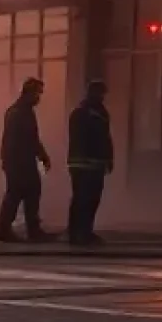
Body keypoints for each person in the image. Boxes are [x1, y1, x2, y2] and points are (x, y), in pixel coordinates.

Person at [0, 76, 55, 244]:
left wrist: (42, 156)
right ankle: (4, 230)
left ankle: (31, 229)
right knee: (15, 194)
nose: (39, 98)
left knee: (31, 192)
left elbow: (33, 138)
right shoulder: (18, 113)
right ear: (30, 93)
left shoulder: (23, 111)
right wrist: (39, 156)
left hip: (21, 160)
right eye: (38, 94)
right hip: (18, 161)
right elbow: (26, 139)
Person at [67, 79, 115, 246]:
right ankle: (77, 233)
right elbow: (85, 139)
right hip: (84, 164)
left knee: (91, 199)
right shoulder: (83, 113)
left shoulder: (98, 113)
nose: (102, 97)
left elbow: (106, 138)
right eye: (100, 93)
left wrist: (108, 158)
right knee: (82, 198)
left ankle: (84, 231)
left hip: (93, 163)